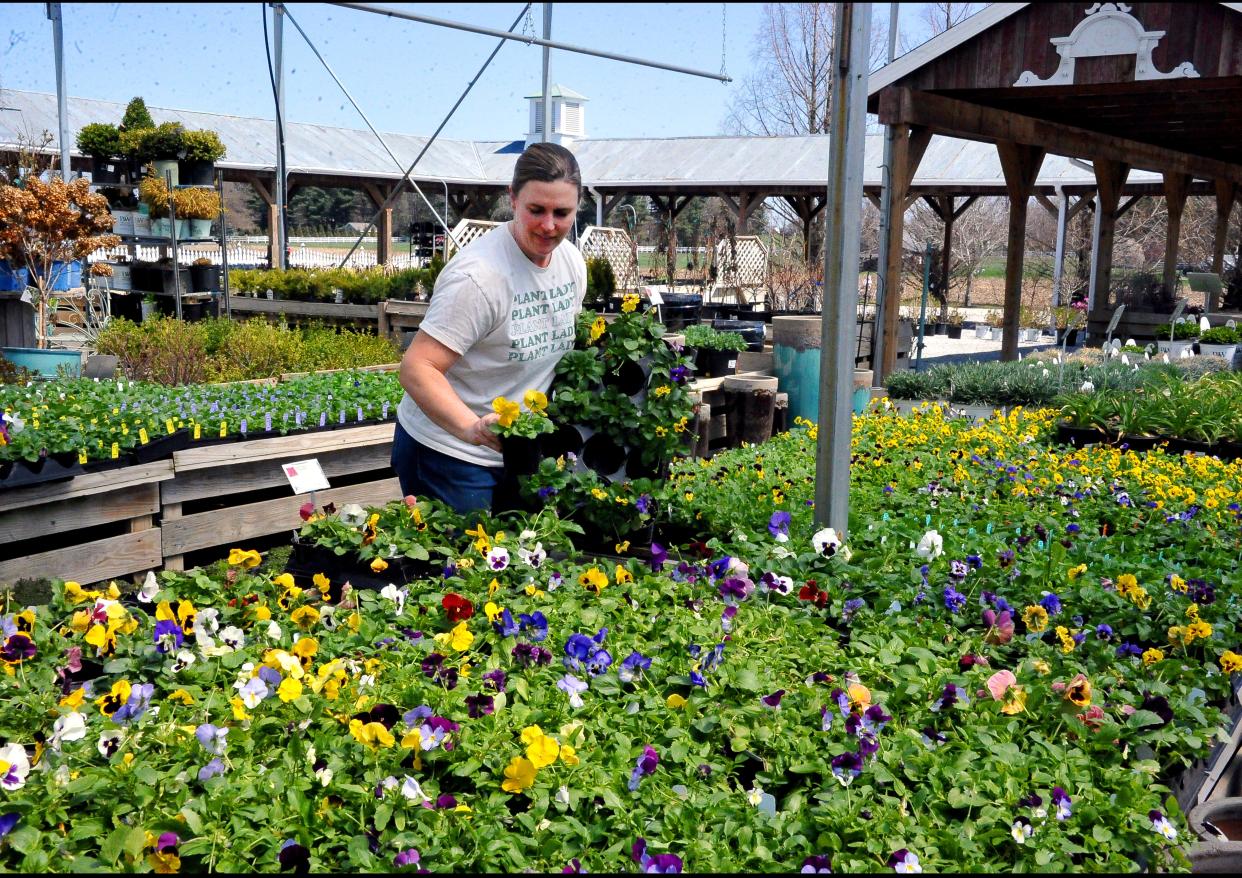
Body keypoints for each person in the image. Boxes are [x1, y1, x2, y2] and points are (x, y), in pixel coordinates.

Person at [392, 142, 586, 513]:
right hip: (449, 451)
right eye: (536, 210)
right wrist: (471, 428)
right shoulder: (479, 278)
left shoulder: (572, 264)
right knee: (463, 564)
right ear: (512, 199)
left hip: (519, 451)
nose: (549, 225)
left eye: (562, 212)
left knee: (521, 558)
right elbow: (417, 368)